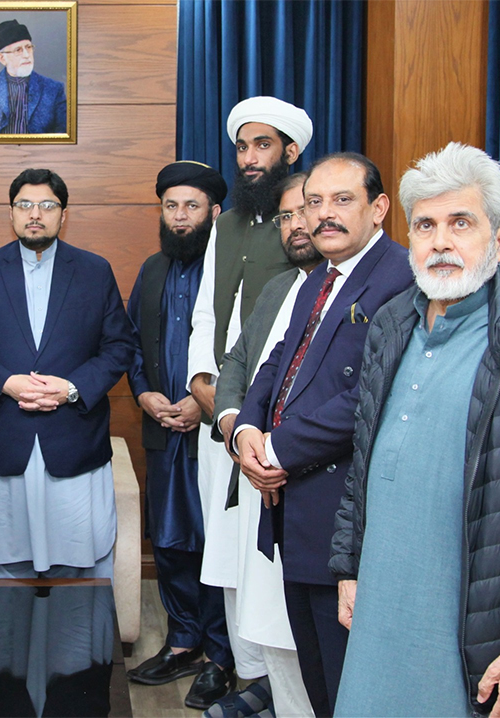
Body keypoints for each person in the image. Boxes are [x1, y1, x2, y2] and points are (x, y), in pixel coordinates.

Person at [330, 142, 500, 718]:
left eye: (462, 222)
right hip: (380, 614)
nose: (441, 241)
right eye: (426, 225)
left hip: (481, 638)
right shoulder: (390, 323)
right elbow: (364, 463)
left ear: (499, 240)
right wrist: (350, 567)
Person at [232, 153, 414, 717]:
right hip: (293, 512)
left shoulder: (400, 277)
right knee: (316, 686)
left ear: (379, 207)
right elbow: (277, 363)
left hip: (344, 523)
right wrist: (245, 431)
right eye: (315, 203)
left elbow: (370, 395)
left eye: (342, 201)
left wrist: (279, 449)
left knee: (349, 692)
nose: (325, 215)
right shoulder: (319, 280)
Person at [0, 168, 135, 579]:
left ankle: (74, 645)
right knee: (0, 563)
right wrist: (6, 383)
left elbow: (119, 346)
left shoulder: (94, 271)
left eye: (47, 205)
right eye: (24, 205)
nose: (35, 214)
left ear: (63, 215)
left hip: (72, 441)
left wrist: (72, 387)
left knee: (79, 561)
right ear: (11, 213)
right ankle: (4, 645)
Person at [185, 96, 313, 706]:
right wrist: (201, 381)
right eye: (243, 146)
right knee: (229, 548)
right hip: (222, 415)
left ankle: (277, 681)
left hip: (272, 422)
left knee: (265, 555)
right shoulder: (227, 223)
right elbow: (207, 308)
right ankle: (248, 672)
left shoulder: (306, 228)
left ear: (291, 152)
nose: (251, 158)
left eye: (263, 145)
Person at [210, 173, 321, 718]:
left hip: (305, 485)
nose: (296, 224)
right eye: (285, 216)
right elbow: (237, 360)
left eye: (306, 210)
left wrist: (274, 450)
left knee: (304, 635)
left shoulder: (351, 289)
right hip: (254, 474)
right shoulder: (281, 287)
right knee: (271, 629)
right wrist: (234, 424)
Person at [124, 161, 235, 709]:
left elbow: (248, 348)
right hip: (161, 430)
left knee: (214, 543)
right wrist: (145, 393)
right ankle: (183, 640)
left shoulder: (233, 269)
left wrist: (202, 402)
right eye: (171, 206)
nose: (180, 216)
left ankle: (220, 654)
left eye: (191, 206)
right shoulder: (152, 269)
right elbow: (131, 339)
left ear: (214, 212)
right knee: (169, 542)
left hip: (215, 433)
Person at [0, 19, 67, 134]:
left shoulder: (54, 89)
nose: (26, 55)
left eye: (29, 47)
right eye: (18, 50)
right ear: (2, 58)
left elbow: (62, 134)